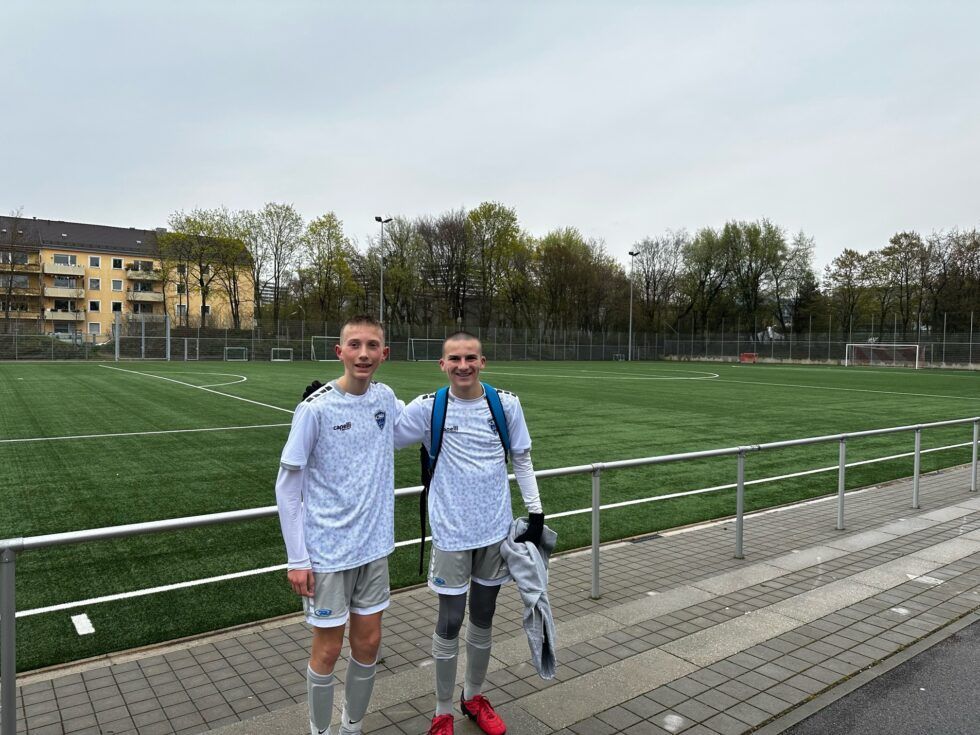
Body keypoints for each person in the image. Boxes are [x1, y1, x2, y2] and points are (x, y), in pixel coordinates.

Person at [395, 332, 544, 735]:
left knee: (483, 617)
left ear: (483, 361)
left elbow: (523, 459)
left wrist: (536, 511)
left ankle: (473, 696)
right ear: (441, 364)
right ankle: (443, 710)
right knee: (449, 619)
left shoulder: (505, 404)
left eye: (471, 358)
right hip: (450, 535)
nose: (463, 365)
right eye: (455, 358)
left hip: (495, 533)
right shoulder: (428, 408)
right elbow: (386, 435)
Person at [277, 315, 401, 735]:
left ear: (384, 354)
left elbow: (414, 426)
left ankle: (351, 727)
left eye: (372, 346)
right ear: (340, 351)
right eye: (354, 345)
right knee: (328, 651)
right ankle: (321, 731)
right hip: (328, 553)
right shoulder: (316, 409)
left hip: (374, 549)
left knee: (368, 644)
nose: (363, 354)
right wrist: (298, 559)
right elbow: (287, 488)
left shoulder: (386, 399)